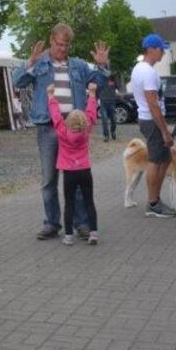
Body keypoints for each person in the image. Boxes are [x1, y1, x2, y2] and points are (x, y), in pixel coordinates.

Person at [12, 23, 110, 240]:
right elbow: (17, 81)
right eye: (58, 44)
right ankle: (52, 223)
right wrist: (30, 62)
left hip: (74, 129)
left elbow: (99, 83)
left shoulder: (78, 65)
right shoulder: (40, 64)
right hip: (48, 127)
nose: (62, 49)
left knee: (75, 179)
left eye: (66, 45)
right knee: (49, 179)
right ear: (51, 41)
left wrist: (102, 65)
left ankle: (82, 223)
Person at [48, 83, 99, 245]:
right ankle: (93, 233)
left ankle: (68, 236)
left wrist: (51, 96)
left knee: (69, 204)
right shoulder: (87, 129)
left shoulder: (62, 130)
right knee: (89, 202)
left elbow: (55, 115)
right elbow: (91, 112)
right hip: (84, 170)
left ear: (68, 120)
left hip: (69, 172)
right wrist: (92, 93)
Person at [131, 33, 176, 218]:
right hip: (152, 120)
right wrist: (165, 131)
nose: (163, 53)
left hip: (150, 119)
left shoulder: (141, 68)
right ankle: (152, 203)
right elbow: (153, 103)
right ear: (150, 49)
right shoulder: (147, 72)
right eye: (161, 49)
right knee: (156, 161)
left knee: (165, 159)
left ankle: (155, 198)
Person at [98, 76, 117, 142]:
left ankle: (113, 131)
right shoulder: (101, 79)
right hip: (103, 103)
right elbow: (97, 89)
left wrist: (114, 83)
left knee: (114, 119)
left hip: (112, 102)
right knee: (104, 120)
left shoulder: (113, 78)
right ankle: (106, 135)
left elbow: (119, 87)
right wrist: (99, 97)